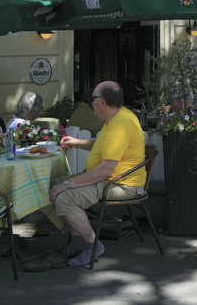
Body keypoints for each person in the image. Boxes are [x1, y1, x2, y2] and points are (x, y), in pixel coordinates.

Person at [45, 81, 145, 269]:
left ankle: (92, 244)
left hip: (118, 183)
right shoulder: (115, 118)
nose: (91, 102)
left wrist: (66, 185)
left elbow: (105, 170)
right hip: (107, 178)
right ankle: (77, 242)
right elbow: (105, 147)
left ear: (103, 102)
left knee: (64, 196)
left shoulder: (119, 126)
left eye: (93, 98)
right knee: (52, 185)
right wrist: (78, 142)